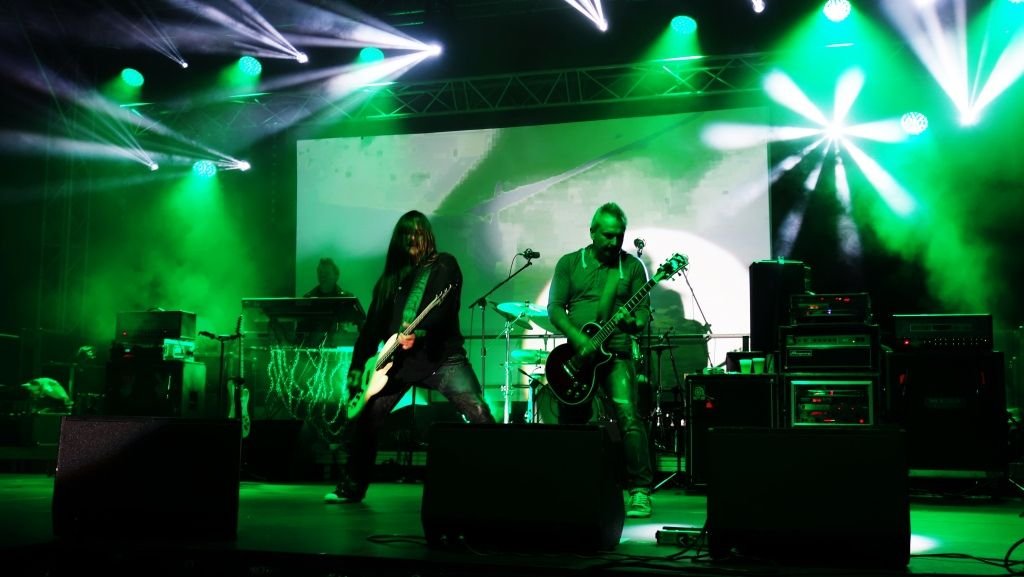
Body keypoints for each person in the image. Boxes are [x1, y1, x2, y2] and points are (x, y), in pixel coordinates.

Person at [325, 210, 495, 503]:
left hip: (441, 357)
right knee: (367, 420)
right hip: (398, 363)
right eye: (405, 234)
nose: (411, 239)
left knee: (478, 411)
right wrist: (357, 374)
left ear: (427, 235)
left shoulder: (443, 265)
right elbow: (370, 332)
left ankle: (503, 476)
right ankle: (351, 487)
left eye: (417, 232)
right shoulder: (388, 282)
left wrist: (422, 332)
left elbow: (444, 309)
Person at [547, 202, 654, 518]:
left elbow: (643, 313)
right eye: (608, 235)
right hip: (577, 357)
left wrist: (631, 323)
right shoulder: (570, 263)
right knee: (572, 422)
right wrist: (578, 339)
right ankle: (572, 487)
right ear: (592, 232)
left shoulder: (632, 267)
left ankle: (639, 490)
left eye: (619, 235)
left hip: (616, 353)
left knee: (628, 416)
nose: (614, 241)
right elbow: (555, 308)